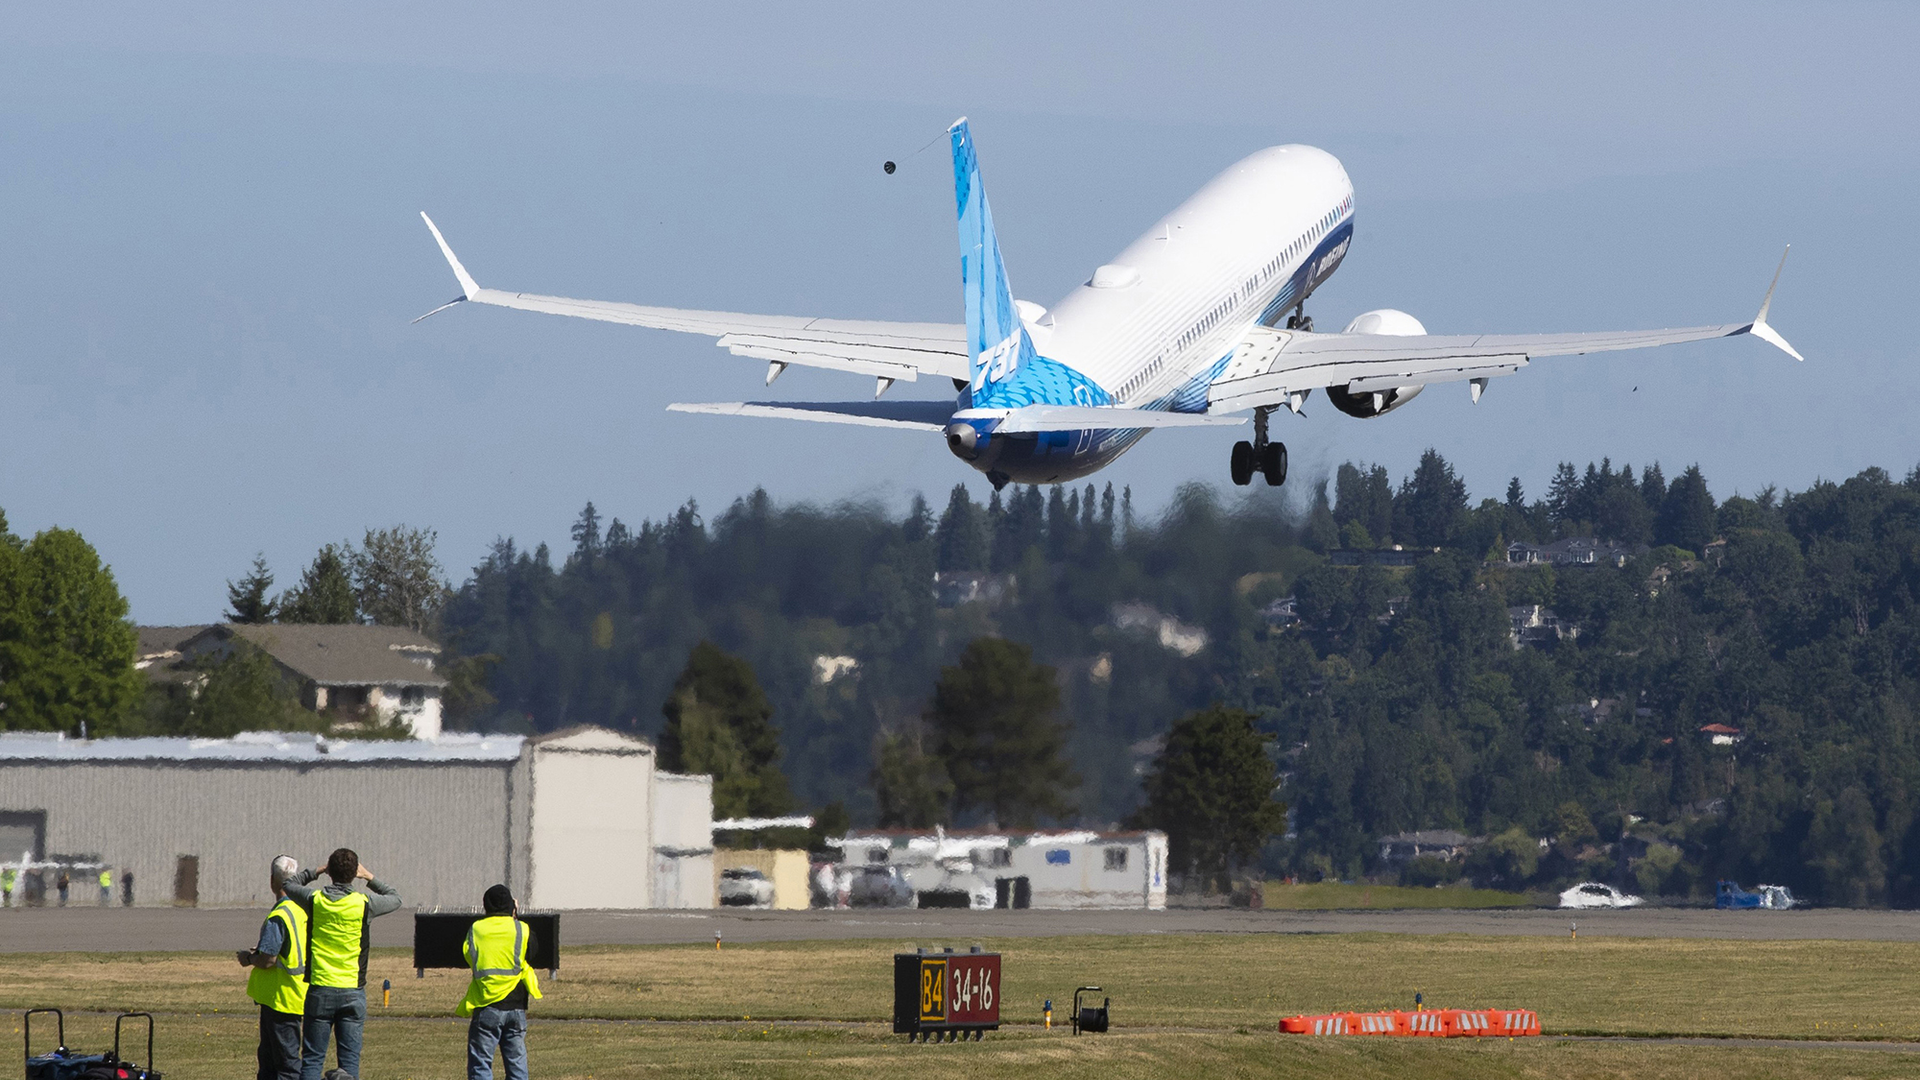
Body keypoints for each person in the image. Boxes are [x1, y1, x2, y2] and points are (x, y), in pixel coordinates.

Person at [282, 848, 401, 1080]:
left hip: (320, 988)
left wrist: (316, 871)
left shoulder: (315, 900)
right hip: (352, 990)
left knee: (313, 1060)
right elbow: (395, 898)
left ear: (330, 872)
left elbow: (289, 884)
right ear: (354, 872)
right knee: (349, 1063)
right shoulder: (364, 903)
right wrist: (369, 877)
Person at [458, 885, 542, 1080]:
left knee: (481, 1064)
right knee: (517, 1065)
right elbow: (532, 952)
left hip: (486, 1004)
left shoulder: (477, 929)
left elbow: (468, 955)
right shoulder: (521, 928)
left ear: (485, 905)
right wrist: (515, 916)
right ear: (512, 906)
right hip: (516, 1006)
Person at [238, 856, 308, 1080]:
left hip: (280, 998)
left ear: (272, 881)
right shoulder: (302, 910)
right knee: (271, 1061)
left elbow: (268, 960)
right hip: (296, 993)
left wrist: (249, 959)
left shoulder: (279, 915)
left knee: (284, 1065)